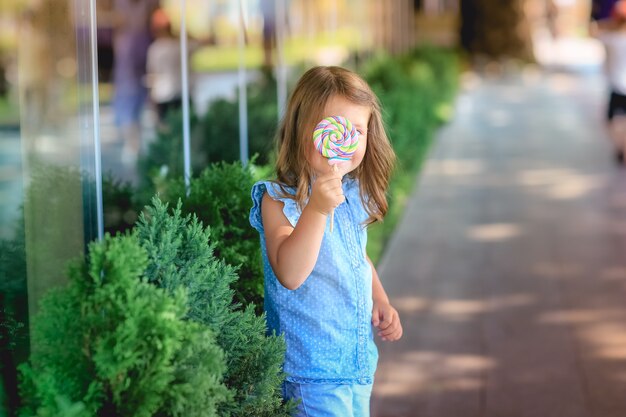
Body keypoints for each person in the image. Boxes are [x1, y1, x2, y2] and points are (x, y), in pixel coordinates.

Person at [249, 66, 403, 416]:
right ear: (303, 130)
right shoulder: (277, 200)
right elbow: (290, 272)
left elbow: (356, 257)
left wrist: (380, 298)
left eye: (357, 130)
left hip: (357, 360)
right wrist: (316, 210)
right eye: (333, 127)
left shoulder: (352, 194)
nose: (346, 138)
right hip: (311, 371)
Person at [591, 0, 626, 162]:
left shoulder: (611, 38)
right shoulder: (612, 38)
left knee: (611, 121)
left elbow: (594, 30)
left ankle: (620, 146)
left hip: (617, 86)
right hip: (618, 85)